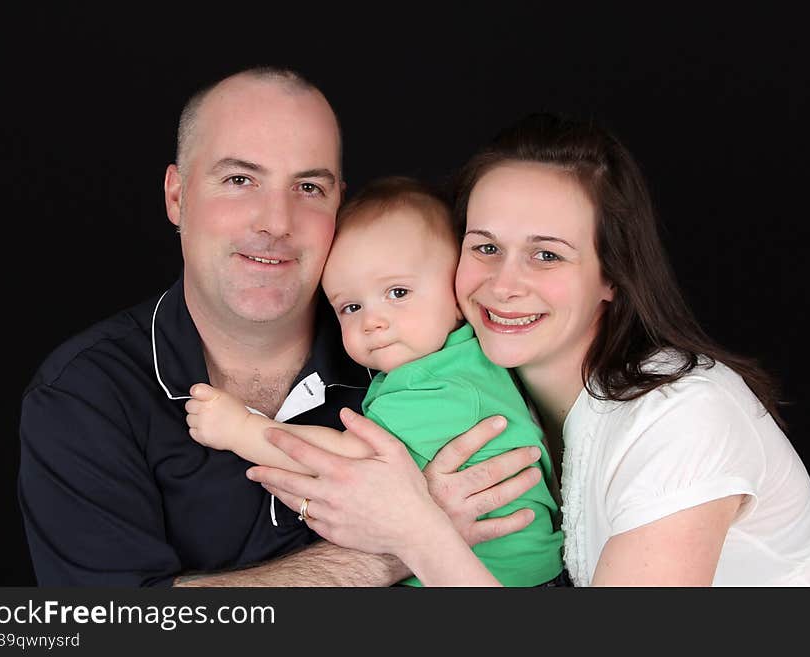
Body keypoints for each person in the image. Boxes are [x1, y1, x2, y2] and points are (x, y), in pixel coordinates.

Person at [247, 111, 810, 586]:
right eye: (484, 248)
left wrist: (416, 531)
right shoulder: (476, 391)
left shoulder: (684, 417)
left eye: (547, 254)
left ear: (612, 276)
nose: (504, 284)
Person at [17, 67, 542, 586]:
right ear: (177, 196)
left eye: (308, 187)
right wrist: (403, 546)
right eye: (240, 180)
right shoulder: (84, 395)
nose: (275, 222)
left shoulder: (409, 349)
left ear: (340, 202)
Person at [184, 176, 566, 586]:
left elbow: (348, 465)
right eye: (351, 306)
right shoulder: (458, 360)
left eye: (398, 293)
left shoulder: (442, 385)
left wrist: (241, 428)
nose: (372, 321)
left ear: (457, 295)